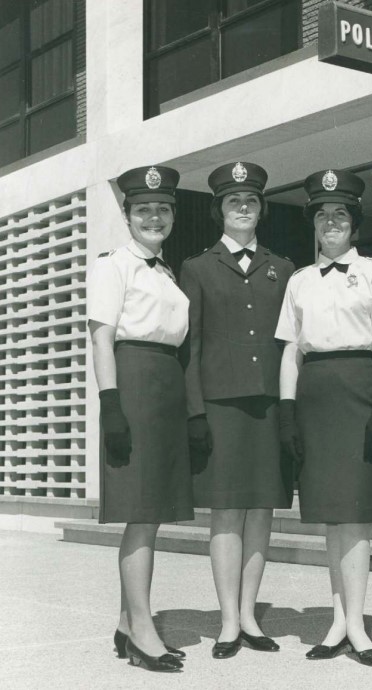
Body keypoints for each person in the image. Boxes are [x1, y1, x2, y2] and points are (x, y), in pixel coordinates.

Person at [275, 169, 372, 667]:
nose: (330, 222)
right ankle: (337, 620)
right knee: (330, 515)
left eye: (339, 214)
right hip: (316, 397)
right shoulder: (299, 280)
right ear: (313, 224)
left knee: (357, 514)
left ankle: (359, 626)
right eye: (321, 215)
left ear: (354, 223)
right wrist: (287, 412)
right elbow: (289, 353)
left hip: (361, 391)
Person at [180, 161, 294, 659]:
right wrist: (196, 412)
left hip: (267, 405)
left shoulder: (283, 268)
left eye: (250, 201)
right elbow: (192, 346)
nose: (243, 208)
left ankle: (250, 615)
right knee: (227, 513)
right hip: (222, 406)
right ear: (219, 211)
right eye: (233, 201)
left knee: (261, 511)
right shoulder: (197, 267)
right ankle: (228, 620)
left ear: (261, 209)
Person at [87, 165, 193, 673]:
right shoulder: (115, 265)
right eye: (143, 209)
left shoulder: (165, 272)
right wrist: (111, 404)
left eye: (163, 208)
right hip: (133, 385)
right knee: (141, 511)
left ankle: (128, 623)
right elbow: (102, 337)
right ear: (127, 216)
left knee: (150, 511)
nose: (154, 216)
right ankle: (143, 630)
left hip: (166, 388)